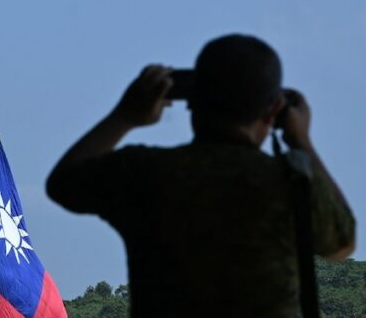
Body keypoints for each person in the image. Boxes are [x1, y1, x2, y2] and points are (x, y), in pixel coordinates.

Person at [46, 34, 356, 317]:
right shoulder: (290, 183)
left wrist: (125, 116)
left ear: (192, 100)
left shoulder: (146, 174)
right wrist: (302, 140)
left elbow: (63, 183)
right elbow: (341, 243)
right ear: (273, 110)